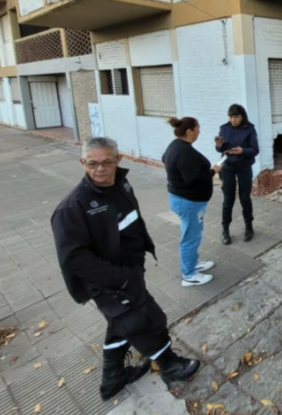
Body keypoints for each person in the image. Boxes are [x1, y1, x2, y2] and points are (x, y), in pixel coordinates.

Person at [51, 137, 200, 401]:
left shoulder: (120, 182)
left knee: (120, 324)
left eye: (107, 162)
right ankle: (169, 364)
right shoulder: (72, 207)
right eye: (92, 164)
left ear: (118, 160)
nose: (100, 169)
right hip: (110, 280)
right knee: (145, 320)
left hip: (131, 268)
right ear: (82, 162)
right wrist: (120, 280)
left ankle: (112, 379)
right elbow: (74, 259)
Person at [162, 117, 222, 287]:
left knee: (192, 233)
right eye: (198, 128)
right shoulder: (184, 151)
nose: (199, 132)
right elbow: (193, 178)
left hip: (183, 199)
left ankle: (194, 263)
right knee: (191, 237)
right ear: (190, 131)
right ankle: (189, 275)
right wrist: (213, 171)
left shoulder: (175, 145)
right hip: (188, 201)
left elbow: (164, 159)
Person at [216, 104, 259, 245]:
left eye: (236, 117)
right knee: (228, 199)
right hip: (228, 167)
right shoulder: (224, 128)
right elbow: (220, 149)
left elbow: (255, 149)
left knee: (245, 197)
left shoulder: (250, 129)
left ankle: (249, 227)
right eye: (230, 117)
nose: (233, 120)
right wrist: (218, 145)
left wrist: (242, 151)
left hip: (244, 167)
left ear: (242, 116)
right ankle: (225, 230)